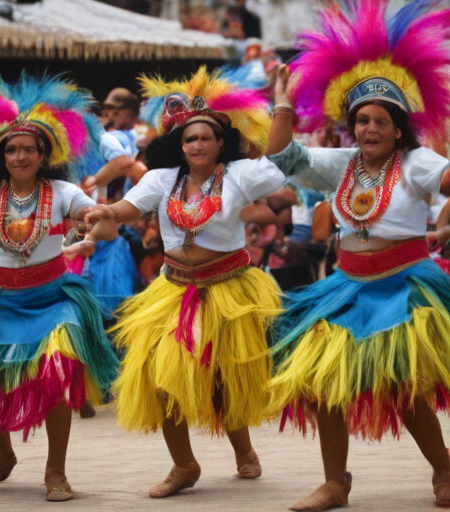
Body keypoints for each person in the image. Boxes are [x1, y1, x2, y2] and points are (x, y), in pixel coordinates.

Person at [265, 1, 450, 510]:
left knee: (405, 388)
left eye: (380, 121)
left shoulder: (416, 161)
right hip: (346, 287)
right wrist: (284, 103)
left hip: (403, 285)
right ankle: (334, 483)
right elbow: (281, 155)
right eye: (361, 120)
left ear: (398, 128)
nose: (369, 129)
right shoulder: (341, 163)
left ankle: (444, 468)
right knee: (325, 383)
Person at [75, 68, 289, 498]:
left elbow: (282, 159)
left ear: (220, 143)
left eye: (206, 138)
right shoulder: (162, 179)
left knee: (224, 381)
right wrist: (106, 214)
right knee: (160, 375)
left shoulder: (240, 175)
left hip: (230, 289)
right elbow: (127, 208)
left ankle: (244, 450)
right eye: (190, 138)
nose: (197, 145)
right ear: (180, 143)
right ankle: (183, 465)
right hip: (173, 291)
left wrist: (281, 103)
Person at [0, 75, 119, 501]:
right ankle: (4, 455)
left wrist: (98, 218)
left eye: (28, 149)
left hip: (55, 298)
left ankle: (56, 471)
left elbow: (104, 222)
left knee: (56, 375)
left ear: (44, 155)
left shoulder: (62, 190)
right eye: (12, 149)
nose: (20, 156)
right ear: (2, 155)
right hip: (0, 300)